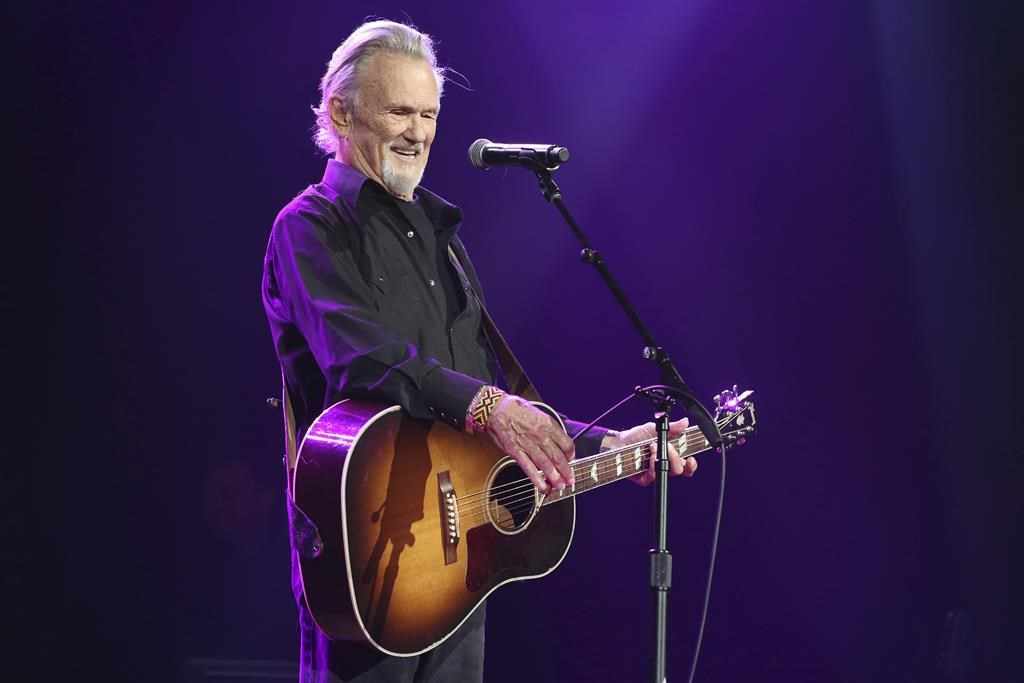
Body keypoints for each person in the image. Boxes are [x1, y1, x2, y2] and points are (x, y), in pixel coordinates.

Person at [262, 19, 698, 683]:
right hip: (368, 551)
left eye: (429, 113)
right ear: (340, 113)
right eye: (399, 111)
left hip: (458, 563)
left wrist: (602, 444)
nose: (418, 131)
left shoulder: (445, 241)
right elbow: (360, 355)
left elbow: (484, 395)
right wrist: (489, 406)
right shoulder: (311, 225)